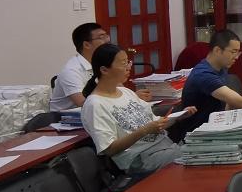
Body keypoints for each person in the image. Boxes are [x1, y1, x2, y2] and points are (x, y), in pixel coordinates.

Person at [81, 43, 195, 179]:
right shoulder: (95, 104)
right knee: (196, 156)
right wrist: (144, 130)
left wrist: (178, 117)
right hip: (140, 159)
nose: (129, 67)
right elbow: (109, 149)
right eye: (123, 63)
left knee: (203, 149)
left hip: (164, 147)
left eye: (128, 62)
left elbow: (156, 124)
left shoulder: (126, 92)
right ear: (104, 70)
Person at [175, 30, 242, 135]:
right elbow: (238, 100)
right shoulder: (203, 74)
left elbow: (226, 102)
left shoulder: (221, 68)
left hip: (216, 126)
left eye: (238, 52)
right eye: (233, 52)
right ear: (217, 50)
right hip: (198, 135)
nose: (236, 57)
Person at [51, 22, 113, 111]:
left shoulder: (103, 63)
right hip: (66, 117)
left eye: (106, 36)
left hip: (94, 112)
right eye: (101, 37)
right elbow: (83, 103)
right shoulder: (71, 71)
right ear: (87, 45)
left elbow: (119, 89)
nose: (107, 40)